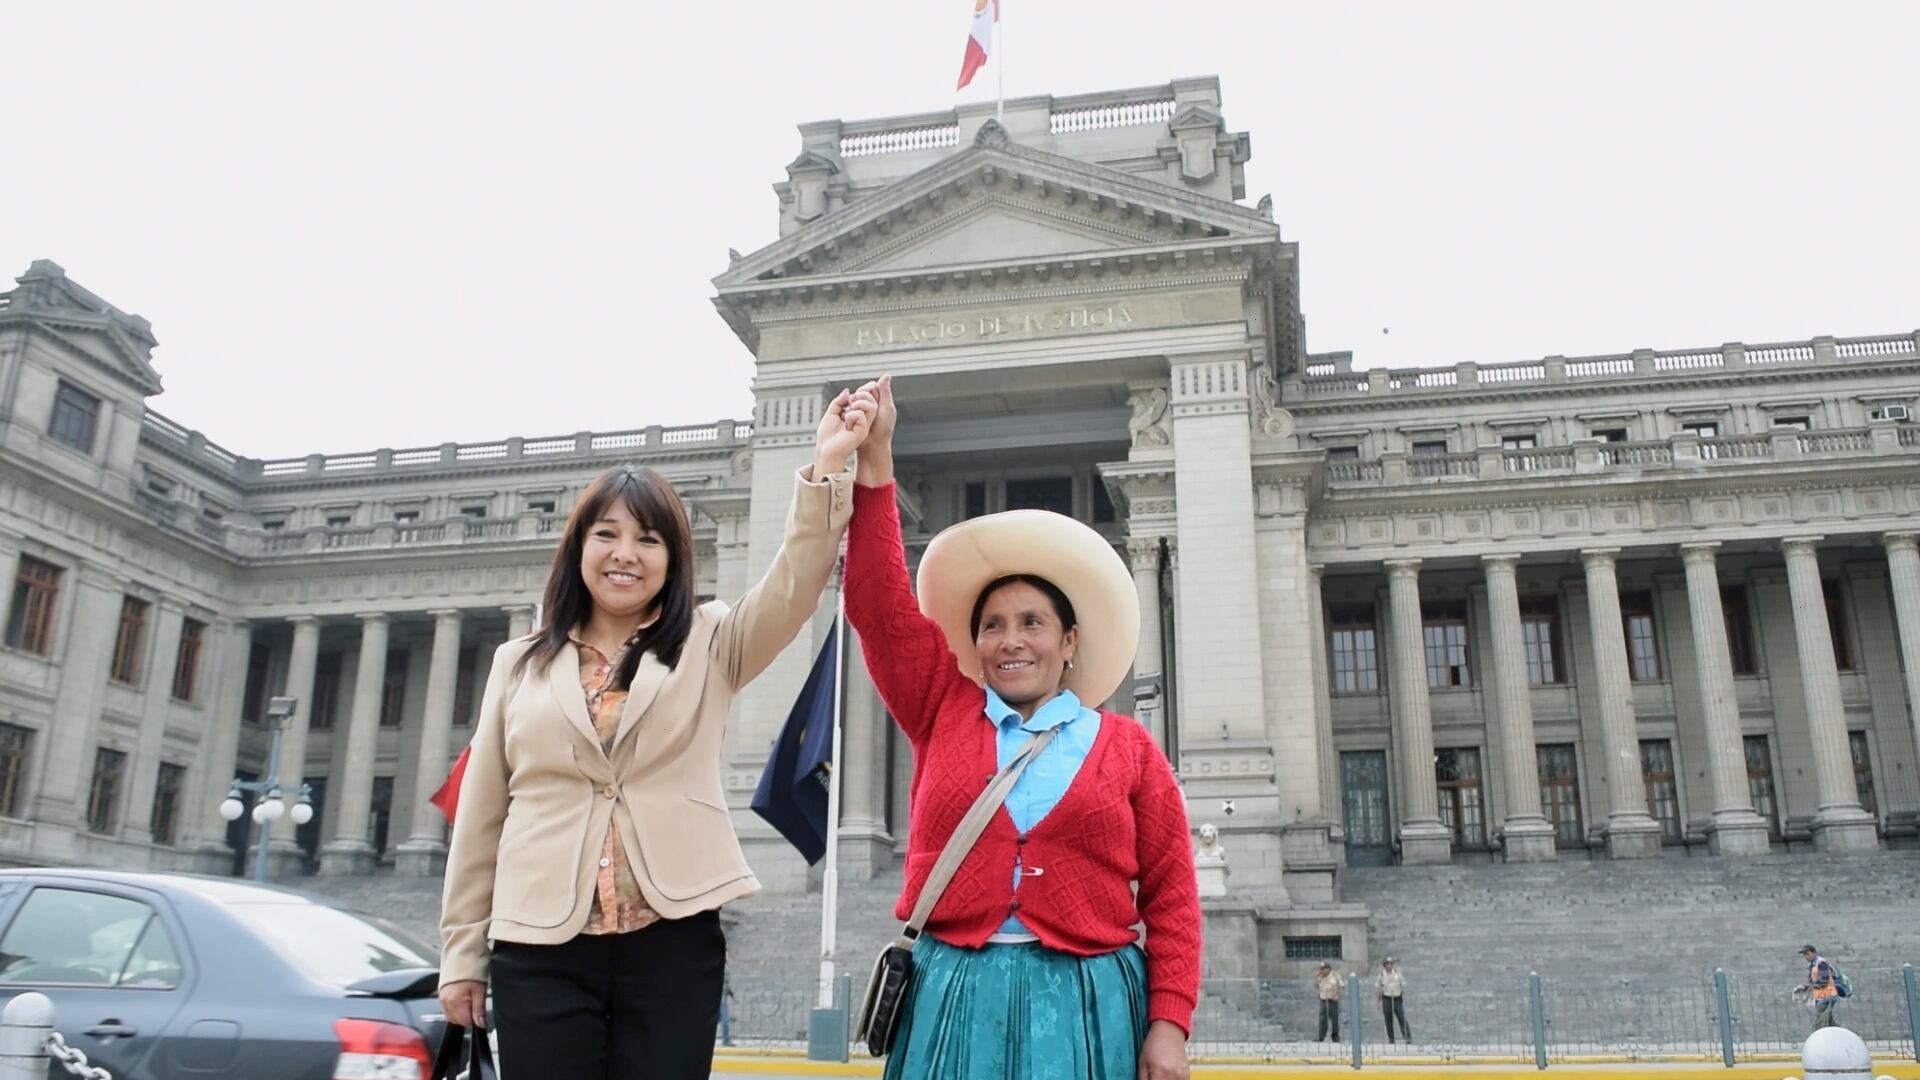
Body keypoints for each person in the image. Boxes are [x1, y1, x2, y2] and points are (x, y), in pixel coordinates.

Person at [436, 387, 876, 1079]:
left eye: (649, 539)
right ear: (578, 547)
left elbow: (794, 585)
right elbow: (482, 816)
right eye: (606, 534)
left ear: (673, 559)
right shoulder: (517, 664)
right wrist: (462, 955)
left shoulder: (710, 640)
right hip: (541, 944)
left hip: (670, 940)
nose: (626, 553)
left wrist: (825, 468)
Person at [842, 375, 1199, 1080]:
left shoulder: (1128, 748)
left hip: (1089, 1000)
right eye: (993, 626)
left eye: (1033, 622)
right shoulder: (942, 710)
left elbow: (1173, 896)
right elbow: (878, 608)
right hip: (953, 993)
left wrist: (1169, 1025)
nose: (1011, 641)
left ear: (1069, 641)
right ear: (975, 644)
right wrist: (875, 462)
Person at [1797, 945, 1841, 1030]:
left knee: (1820, 1021)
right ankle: (1843, 1032)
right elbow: (1812, 981)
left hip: (1827, 996)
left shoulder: (1821, 963)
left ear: (1814, 953)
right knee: (1829, 1021)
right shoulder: (1813, 965)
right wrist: (1804, 987)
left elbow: (1824, 980)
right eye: (1804, 955)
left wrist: (1811, 986)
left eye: (1808, 954)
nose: (1806, 957)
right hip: (1822, 996)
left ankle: (1818, 1036)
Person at [1375, 956, 1409, 1044]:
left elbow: (1403, 984)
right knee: (1388, 1019)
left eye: (1391, 964)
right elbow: (1378, 989)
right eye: (1387, 964)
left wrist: (1404, 994)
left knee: (1401, 1017)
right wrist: (1378, 1002)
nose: (1389, 966)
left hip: (1397, 998)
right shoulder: (1381, 975)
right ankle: (1391, 1039)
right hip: (1387, 998)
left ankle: (1407, 1037)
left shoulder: (1397, 973)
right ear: (1384, 966)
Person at [1314, 962, 1343, 1042]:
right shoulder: (1320, 977)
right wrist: (1317, 977)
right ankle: (1321, 1037)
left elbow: (1341, 986)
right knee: (1322, 1020)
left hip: (1332, 1000)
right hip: (1323, 1000)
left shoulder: (1335, 975)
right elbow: (1316, 985)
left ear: (1328, 969)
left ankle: (1335, 1036)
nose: (1321, 971)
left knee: (1334, 1020)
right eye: (1321, 969)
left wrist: (1337, 995)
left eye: (1323, 969)